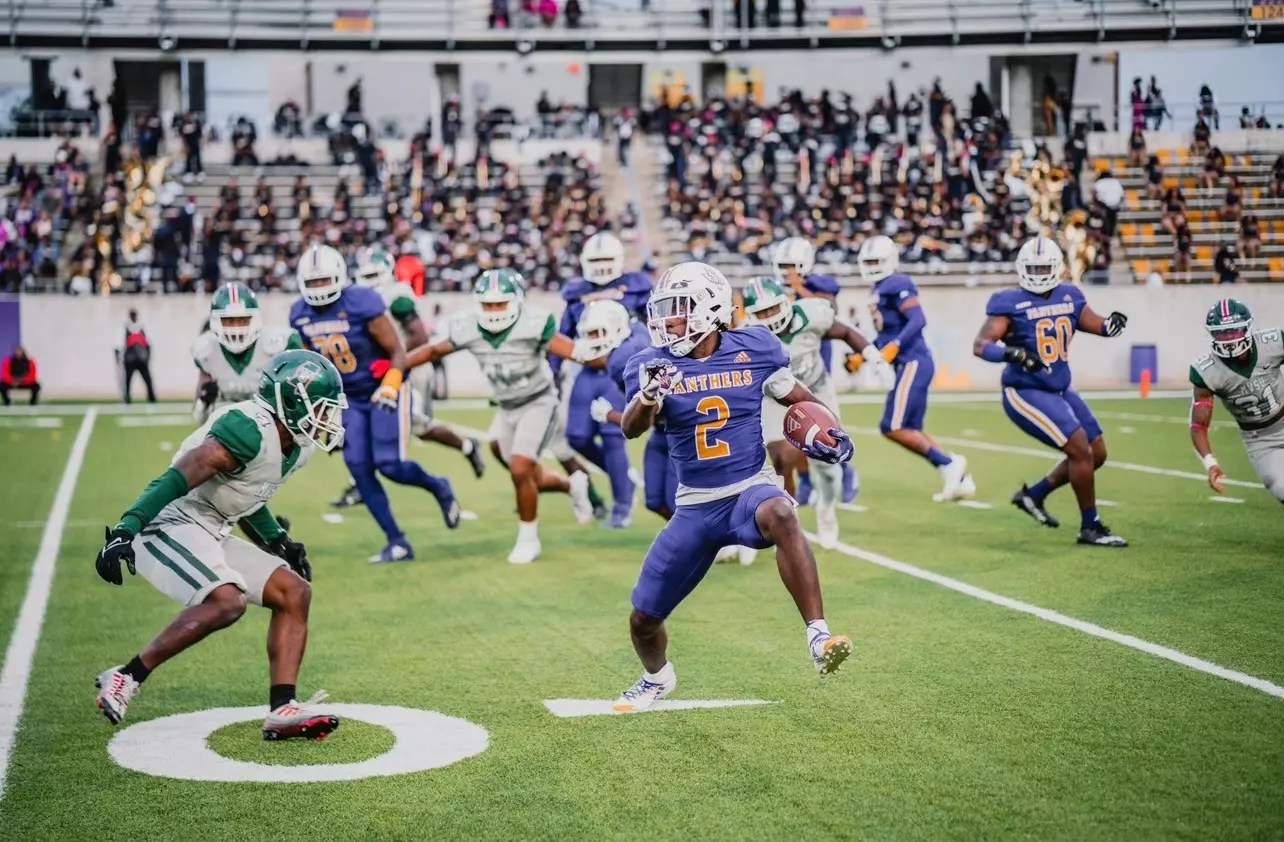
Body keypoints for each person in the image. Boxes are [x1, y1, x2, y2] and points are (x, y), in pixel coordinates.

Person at [612, 262, 855, 712]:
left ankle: (818, 636)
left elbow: (797, 396)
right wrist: (648, 397)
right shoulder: (651, 363)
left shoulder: (756, 348)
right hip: (696, 507)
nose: (668, 321)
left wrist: (828, 430)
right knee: (643, 619)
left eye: (679, 310)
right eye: (664, 311)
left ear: (710, 310)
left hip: (749, 490)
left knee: (781, 512)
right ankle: (657, 678)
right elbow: (630, 429)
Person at [93, 349, 344, 740]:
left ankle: (282, 708)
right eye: (321, 408)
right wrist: (126, 529)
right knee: (228, 601)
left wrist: (278, 540)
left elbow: (245, 495)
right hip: (168, 522)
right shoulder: (247, 429)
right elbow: (177, 478)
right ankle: (126, 676)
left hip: (211, 527)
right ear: (290, 402)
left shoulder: (296, 445)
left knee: (294, 592)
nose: (327, 418)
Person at [407, 269, 595, 565]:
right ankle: (573, 485)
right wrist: (395, 369)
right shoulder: (468, 327)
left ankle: (528, 539)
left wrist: (610, 354)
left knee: (520, 469)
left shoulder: (535, 323)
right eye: (488, 304)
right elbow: (432, 351)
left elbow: (574, 352)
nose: (493, 311)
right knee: (525, 473)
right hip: (507, 407)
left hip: (538, 401)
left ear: (517, 302)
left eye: (500, 304)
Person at [289, 245, 460, 564]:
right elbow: (312, 365)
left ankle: (438, 486)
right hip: (348, 397)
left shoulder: (362, 301)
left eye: (325, 281)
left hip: (384, 388)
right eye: (312, 283)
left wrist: (392, 383)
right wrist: (322, 410)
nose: (319, 289)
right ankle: (397, 542)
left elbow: (397, 349)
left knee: (390, 465)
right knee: (359, 467)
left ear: (340, 277)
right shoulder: (299, 313)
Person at [972, 236, 1129, 547]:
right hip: (1024, 390)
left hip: (1059, 387)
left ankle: (1034, 495)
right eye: (1034, 267)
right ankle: (1090, 527)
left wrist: (1111, 325)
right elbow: (981, 346)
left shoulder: (1069, 295)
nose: (1040, 272)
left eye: (1045, 266)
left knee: (1096, 453)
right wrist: (1013, 354)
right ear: (1021, 268)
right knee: (1079, 449)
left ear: (1057, 268)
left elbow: (1095, 323)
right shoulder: (1009, 303)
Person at [330, 249, 485, 508]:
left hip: (408, 368)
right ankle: (360, 484)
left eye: (375, 275)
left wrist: (393, 360)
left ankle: (468, 445)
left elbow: (419, 338)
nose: (371, 281)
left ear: (389, 274)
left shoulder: (397, 296)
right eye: (366, 275)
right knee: (365, 422)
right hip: (376, 373)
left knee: (420, 427)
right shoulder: (357, 299)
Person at [742, 275, 883, 549]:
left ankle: (827, 510)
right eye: (761, 312)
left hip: (816, 390)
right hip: (774, 398)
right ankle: (787, 526)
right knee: (783, 459)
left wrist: (872, 355)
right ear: (750, 316)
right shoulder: (746, 336)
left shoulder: (811, 314)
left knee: (829, 463)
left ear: (785, 303)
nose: (769, 317)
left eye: (772, 308)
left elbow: (844, 332)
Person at [859, 235, 973, 502]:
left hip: (913, 360)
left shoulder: (898, 282)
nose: (873, 265)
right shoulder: (876, 289)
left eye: (877, 260)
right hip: (908, 362)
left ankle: (947, 463)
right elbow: (886, 335)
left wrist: (896, 346)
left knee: (892, 426)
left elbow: (917, 319)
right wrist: (862, 355)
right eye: (869, 261)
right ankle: (958, 479)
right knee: (911, 427)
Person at [556, 231, 652, 518]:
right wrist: (552, 371)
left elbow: (651, 327)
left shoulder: (636, 287)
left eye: (606, 259)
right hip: (587, 368)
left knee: (612, 436)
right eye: (595, 260)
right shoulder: (576, 293)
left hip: (620, 369)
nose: (600, 266)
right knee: (576, 437)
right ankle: (621, 476)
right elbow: (563, 336)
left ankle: (622, 508)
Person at [771, 236, 856, 504]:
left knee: (823, 423)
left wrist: (798, 289)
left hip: (814, 362)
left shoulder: (819, 284)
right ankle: (806, 480)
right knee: (795, 429)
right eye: (782, 266)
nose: (786, 272)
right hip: (786, 366)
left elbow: (830, 309)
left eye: (791, 265)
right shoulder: (772, 289)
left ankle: (844, 467)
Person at [1190, 299, 1284, 503]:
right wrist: (1210, 463)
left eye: (1234, 330)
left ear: (1248, 328)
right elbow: (1198, 425)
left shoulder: (1273, 342)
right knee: (1282, 487)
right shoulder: (1207, 372)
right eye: (1222, 333)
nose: (1230, 338)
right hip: (1262, 439)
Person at [192, 283, 302, 423]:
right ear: (215, 321)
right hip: (228, 427)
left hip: (274, 424)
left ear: (254, 319)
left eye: (242, 320)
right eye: (229, 321)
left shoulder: (280, 344)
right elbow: (199, 418)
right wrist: (204, 401)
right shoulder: (206, 351)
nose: (236, 328)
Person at [122, 309, 156, 404]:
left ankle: (152, 399)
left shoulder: (142, 327)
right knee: (127, 381)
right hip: (130, 360)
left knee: (148, 380)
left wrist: (147, 358)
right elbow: (121, 344)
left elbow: (148, 344)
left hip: (141, 360)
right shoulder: (125, 328)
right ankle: (126, 399)